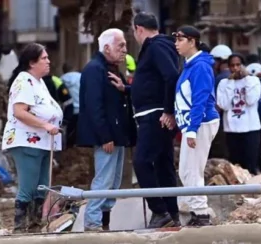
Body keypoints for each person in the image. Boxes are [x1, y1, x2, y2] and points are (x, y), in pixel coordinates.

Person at [77, 29, 135, 232]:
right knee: (104, 180)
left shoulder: (111, 68)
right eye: (121, 46)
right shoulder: (95, 69)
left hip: (117, 135)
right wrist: (105, 136)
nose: (125, 50)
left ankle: (104, 221)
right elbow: (94, 106)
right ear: (107, 47)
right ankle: (92, 222)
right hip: (107, 136)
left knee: (114, 182)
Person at [2, 43, 63, 233]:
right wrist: (45, 125)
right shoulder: (23, 81)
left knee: (42, 186)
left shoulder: (39, 82)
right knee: (28, 186)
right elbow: (19, 112)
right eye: (44, 58)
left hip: (43, 142)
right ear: (31, 62)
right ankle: (20, 227)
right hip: (26, 141)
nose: (48, 61)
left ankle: (35, 224)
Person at [130, 12, 182, 229]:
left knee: (141, 162)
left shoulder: (155, 46)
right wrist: (127, 89)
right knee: (163, 165)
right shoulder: (160, 46)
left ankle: (160, 211)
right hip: (156, 112)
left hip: (155, 115)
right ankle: (171, 212)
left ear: (139, 29)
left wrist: (168, 111)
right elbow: (154, 82)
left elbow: (170, 76)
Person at [171, 26, 220, 227]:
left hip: (201, 123)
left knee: (193, 171)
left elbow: (200, 98)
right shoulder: (190, 64)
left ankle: (201, 214)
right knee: (185, 170)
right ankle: (196, 211)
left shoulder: (199, 66)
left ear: (192, 41)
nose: (176, 44)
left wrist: (192, 128)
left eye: (180, 39)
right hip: (192, 124)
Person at [216, 53, 261, 174]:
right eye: (232, 65)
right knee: (235, 165)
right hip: (232, 129)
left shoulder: (254, 81)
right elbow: (224, 105)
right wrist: (231, 83)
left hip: (251, 128)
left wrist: (246, 79)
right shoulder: (224, 83)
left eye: (238, 65)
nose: (235, 68)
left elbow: (251, 100)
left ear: (243, 65)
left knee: (251, 164)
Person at [61, 63, 82, 145]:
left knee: (69, 132)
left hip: (68, 111)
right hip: (81, 110)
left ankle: (68, 149)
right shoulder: (81, 77)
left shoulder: (61, 79)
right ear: (74, 68)